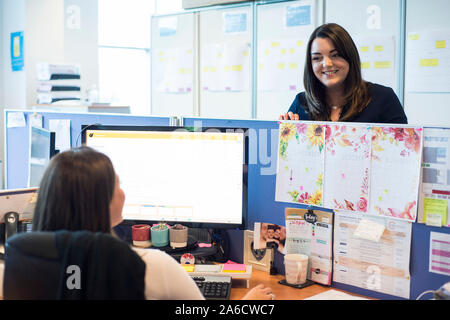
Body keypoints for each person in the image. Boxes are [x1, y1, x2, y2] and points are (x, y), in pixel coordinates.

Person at [25, 146, 274, 300]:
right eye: (117, 185)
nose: (123, 194)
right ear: (98, 203)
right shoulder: (148, 265)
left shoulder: (23, 264)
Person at [280, 23, 408, 124]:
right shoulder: (301, 103)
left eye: (335, 55)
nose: (327, 64)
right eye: (317, 58)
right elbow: (288, 155)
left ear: (350, 57)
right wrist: (286, 132)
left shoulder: (383, 98)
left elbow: (404, 151)